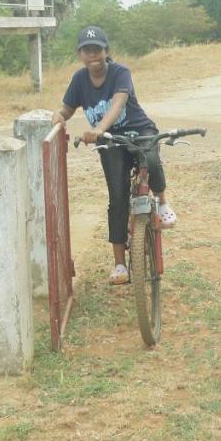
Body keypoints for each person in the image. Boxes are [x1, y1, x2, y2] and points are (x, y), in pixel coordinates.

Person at [52, 25, 177, 285]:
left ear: (106, 51)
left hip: (138, 129)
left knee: (151, 159)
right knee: (117, 198)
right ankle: (120, 264)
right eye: (87, 50)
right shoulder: (79, 80)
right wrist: (59, 118)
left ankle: (162, 201)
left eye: (97, 49)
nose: (93, 55)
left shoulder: (120, 72)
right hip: (110, 141)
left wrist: (97, 129)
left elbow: (118, 103)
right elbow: (66, 108)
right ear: (80, 54)